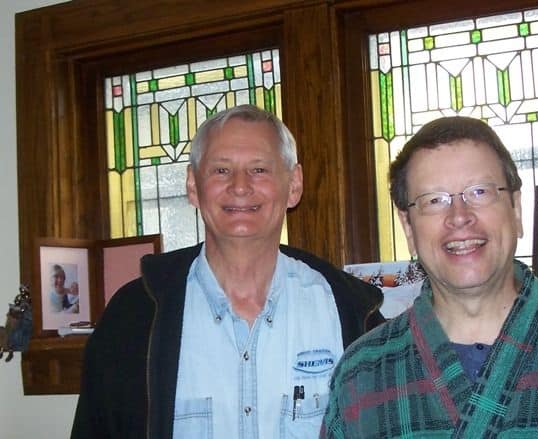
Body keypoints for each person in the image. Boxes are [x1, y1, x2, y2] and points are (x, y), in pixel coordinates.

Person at [321, 116, 538, 437]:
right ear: (408, 228)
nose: (459, 216)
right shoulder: (360, 374)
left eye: (479, 192)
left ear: (516, 209)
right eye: (434, 200)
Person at [71, 105, 384, 438]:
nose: (240, 186)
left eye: (259, 169)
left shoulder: (351, 312)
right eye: (221, 170)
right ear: (193, 185)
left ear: (294, 185)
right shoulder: (132, 318)